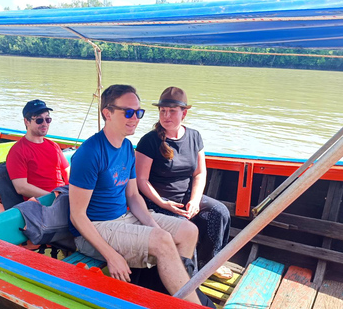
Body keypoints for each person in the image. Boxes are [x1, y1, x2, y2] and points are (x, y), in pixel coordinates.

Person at [69, 84, 208, 305]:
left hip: (123, 219)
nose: (135, 118)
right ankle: (193, 305)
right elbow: (77, 216)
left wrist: (153, 225)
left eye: (139, 112)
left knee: (188, 230)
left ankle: (170, 293)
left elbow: (133, 196)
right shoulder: (90, 153)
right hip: (96, 227)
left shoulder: (126, 147)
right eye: (128, 112)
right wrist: (110, 255)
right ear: (107, 113)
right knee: (162, 241)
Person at [135, 87, 232, 279]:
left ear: (184, 113)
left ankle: (211, 264)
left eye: (172, 111)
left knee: (220, 212)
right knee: (188, 228)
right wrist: (163, 203)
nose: (166, 115)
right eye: (163, 111)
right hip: (157, 200)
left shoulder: (194, 136)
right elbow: (141, 180)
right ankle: (189, 275)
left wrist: (195, 201)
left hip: (186, 197)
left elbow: (199, 173)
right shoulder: (149, 141)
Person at [6, 99, 70, 203]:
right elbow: (21, 187)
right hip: (41, 202)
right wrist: (53, 197)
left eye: (48, 119)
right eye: (39, 120)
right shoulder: (18, 151)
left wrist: (74, 191)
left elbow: (66, 171)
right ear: (27, 121)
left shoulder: (53, 146)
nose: (45, 124)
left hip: (62, 195)